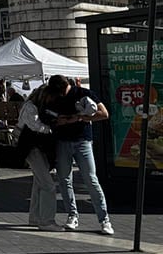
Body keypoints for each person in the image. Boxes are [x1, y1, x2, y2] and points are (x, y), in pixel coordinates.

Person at [44, 74, 113, 235]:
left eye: (62, 92)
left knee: (91, 179)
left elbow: (104, 114)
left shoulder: (84, 93)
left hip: (82, 141)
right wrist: (56, 120)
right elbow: (47, 116)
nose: (62, 96)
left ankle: (104, 220)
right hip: (62, 141)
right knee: (64, 180)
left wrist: (76, 118)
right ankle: (72, 215)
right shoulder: (54, 97)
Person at [15, 86, 62, 231]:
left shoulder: (31, 106)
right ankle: (47, 221)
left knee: (39, 183)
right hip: (31, 147)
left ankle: (35, 217)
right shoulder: (31, 107)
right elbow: (35, 126)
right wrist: (53, 127)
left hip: (32, 147)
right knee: (48, 185)